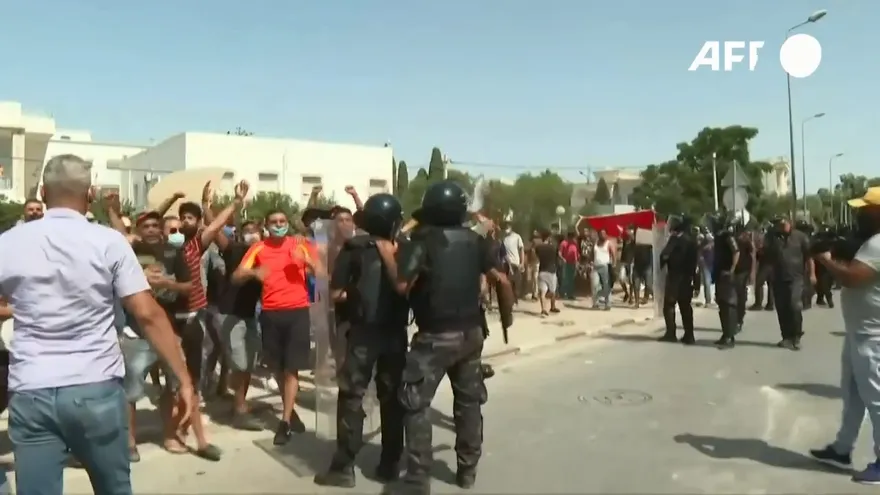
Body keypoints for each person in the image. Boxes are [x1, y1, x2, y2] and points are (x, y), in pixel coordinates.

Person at [0, 154, 195, 495]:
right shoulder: (108, 241)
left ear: (43, 193)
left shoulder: (8, 244)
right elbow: (147, 314)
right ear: (89, 194)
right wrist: (184, 379)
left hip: (31, 389)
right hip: (95, 387)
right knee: (113, 488)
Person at [379, 180, 512, 492]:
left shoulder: (421, 241)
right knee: (468, 404)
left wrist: (387, 254)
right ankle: (468, 472)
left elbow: (401, 286)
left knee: (416, 404)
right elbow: (503, 282)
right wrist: (506, 322)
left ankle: (418, 478)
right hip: (472, 334)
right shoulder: (475, 240)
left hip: (435, 338)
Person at [315, 193, 409, 488]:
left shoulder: (353, 248)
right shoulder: (404, 249)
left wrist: (353, 294)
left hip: (363, 334)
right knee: (392, 397)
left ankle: (344, 467)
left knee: (353, 396)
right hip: (395, 333)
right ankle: (390, 462)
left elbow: (334, 294)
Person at [232, 208, 323, 445]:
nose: (279, 224)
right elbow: (236, 277)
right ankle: (290, 409)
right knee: (276, 367)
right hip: (271, 313)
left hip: (298, 312)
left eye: (282, 221)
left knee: (291, 368)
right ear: (266, 224)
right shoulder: (258, 248)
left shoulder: (300, 245)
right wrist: (253, 273)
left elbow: (324, 274)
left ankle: (284, 422)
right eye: (274, 221)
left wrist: (309, 263)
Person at [809, 187, 880, 484]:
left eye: (865, 209)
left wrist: (825, 260)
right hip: (858, 334)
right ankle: (842, 449)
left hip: (873, 337)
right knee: (853, 396)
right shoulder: (869, 243)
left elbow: (852, 278)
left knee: (876, 398)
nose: (859, 213)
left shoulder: (877, 245)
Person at [213, 220, 264, 430]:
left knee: (249, 363)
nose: (251, 235)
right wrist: (212, 207)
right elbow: (215, 231)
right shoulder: (236, 250)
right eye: (247, 231)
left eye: (255, 231)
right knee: (240, 363)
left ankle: (239, 403)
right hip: (232, 314)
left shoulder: (265, 252)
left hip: (252, 314)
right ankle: (239, 409)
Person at [764, 217, 814, 350]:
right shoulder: (772, 237)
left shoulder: (800, 237)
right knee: (782, 308)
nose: (781, 226)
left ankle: (796, 336)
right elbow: (766, 256)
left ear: (789, 222)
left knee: (794, 305)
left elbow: (809, 257)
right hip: (778, 277)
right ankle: (786, 337)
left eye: (783, 223)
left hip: (796, 277)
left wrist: (812, 274)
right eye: (778, 224)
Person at [657, 215, 699, 345]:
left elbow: (664, 254)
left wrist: (662, 263)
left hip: (675, 277)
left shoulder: (675, 239)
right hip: (688, 278)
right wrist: (696, 282)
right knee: (685, 307)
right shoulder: (692, 240)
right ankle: (689, 335)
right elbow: (697, 263)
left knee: (669, 305)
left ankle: (671, 333)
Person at [711, 214, 740, 349]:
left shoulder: (727, 236)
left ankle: (729, 337)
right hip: (719, 274)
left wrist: (732, 270)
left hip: (726, 275)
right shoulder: (718, 236)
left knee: (728, 305)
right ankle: (725, 334)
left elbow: (736, 252)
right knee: (722, 305)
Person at [734, 225, 755, 333]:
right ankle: (735, 320)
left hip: (743, 271)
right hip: (733, 272)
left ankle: (739, 320)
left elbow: (752, 255)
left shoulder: (746, 242)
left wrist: (752, 273)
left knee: (740, 296)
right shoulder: (731, 241)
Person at [534, 229, 560, 316]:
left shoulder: (538, 247)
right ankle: (552, 307)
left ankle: (543, 309)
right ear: (549, 238)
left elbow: (536, 256)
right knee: (553, 291)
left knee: (542, 292)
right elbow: (557, 257)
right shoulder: (553, 247)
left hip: (542, 271)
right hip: (551, 271)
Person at [750, 231, 776, 311]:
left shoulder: (767, 244)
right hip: (774, 265)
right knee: (771, 285)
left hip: (765, 265)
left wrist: (758, 251)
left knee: (759, 283)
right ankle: (770, 304)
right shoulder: (776, 243)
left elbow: (760, 254)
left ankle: (758, 304)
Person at [500, 221, 524, 302]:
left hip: (515, 263)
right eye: (505, 227)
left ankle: (515, 298)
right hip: (505, 263)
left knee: (516, 283)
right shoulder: (503, 238)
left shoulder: (517, 237)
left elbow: (521, 250)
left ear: (511, 227)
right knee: (507, 283)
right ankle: (509, 300)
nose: (506, 229)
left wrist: (522, 262)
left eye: (507, 227)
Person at [590, 229, 613, 310]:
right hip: (596, 267)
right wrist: (591, 262)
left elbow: (613, 254)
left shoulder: (608, 243)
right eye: (600, 234)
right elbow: (592, 254)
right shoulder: (595, 244)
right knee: (594, 285)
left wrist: (612, 265)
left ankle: (608, 304)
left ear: (606, 235)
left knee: (606, 285)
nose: (602, 235)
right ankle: (595, 304)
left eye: (604, 234)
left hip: (605, 266)